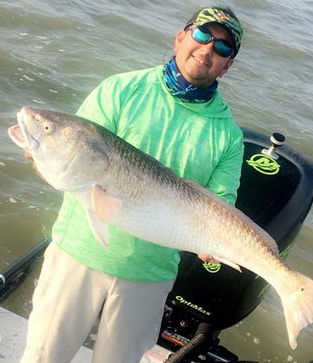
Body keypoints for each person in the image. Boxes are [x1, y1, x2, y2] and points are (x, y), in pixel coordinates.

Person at [20, 6, 244, 363]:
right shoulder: (121, 89)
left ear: (228, 65)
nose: (207, 49)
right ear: (181, 36)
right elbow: (74, 158)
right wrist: (45, 156)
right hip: (78, 253)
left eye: (222, 48)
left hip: (149, 277)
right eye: (202, 35)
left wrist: (214, 242)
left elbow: (220, 203)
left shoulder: (228, 136)